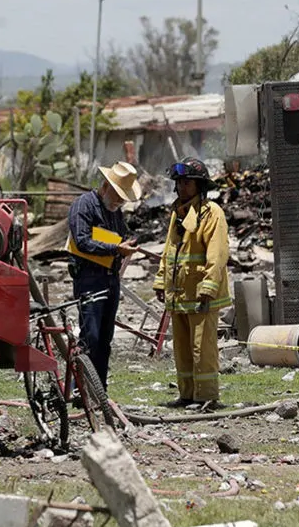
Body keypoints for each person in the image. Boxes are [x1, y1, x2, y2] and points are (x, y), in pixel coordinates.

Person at [153, 157, 231, 409]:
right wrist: (160, 281)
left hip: (201, 295)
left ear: (199, 185)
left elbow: (217, 254)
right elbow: (169, 251)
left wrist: (208, 287)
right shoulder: (178, 212)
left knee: (202, 349)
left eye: (187, 182)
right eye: (179, 183)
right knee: (183, 349)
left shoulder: (212, 213)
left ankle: (207, 396)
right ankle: (186, 395)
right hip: (179, 294)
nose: (182, 187)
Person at [66, 161, 141, 391]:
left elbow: (117, 237)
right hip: (89, 279)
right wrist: (116, 249)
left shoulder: (115, 213)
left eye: (123, 198)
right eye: (117, 195)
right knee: (91, 337)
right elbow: (82, 241)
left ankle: (99, 389)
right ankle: (80, 388)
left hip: (110, 278)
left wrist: (125, 245)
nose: (119, 202)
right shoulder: (83, 205)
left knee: (105, 340)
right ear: (106, 186)